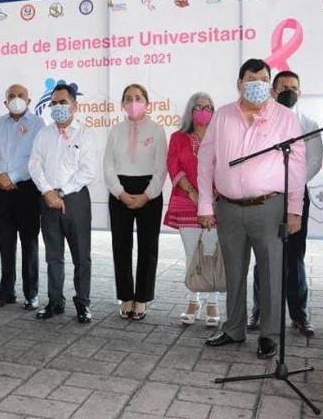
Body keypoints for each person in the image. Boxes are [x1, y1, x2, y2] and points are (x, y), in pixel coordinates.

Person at [198, 59, 305, 359]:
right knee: (233, 270)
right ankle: (233, 328)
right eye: (250, 79)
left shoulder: (284, 118)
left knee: (271, 272)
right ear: (239, 83)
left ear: (270, 85)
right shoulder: (222, 116)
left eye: (262, 79)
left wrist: (294, 209)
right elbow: (206, 162)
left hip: (269, 207)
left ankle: (270, 335)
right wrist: (205, 203)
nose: (256, 84)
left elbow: (295, 165)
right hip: (228, 209)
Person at [248, 71, 322, 337]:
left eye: (294, 87)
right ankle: (259, 310)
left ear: (300, 92)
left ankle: (299, 315)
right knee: (264, 257)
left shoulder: (309, 123)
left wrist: (288, 184)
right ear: (273, 91)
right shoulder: (260, 121)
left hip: (295, 196)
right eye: (284, 87)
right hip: (266, 197)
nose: (289, 91)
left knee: (295, 258)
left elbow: (313, 161)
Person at [28, 83, 95, 323]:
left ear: (74, 105)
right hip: (48, 200)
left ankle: (83, 303)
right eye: (54, 103)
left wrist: (62, 192)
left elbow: (88, 171)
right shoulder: (43, 134)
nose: (57, 107)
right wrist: (48, 192)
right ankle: (55, 302)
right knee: (53, 256)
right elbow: (34, 165)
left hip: (75, 200)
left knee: (81, 256)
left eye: (62, 102)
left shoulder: (85, 134)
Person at [104, 83, 167, 321]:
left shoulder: (157, 129)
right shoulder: (115, 130)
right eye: (128, 98)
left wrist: (146, 195)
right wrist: (120, 192)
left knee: (148, 248)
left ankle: (141, 299)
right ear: (122, 104)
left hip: (149, 192)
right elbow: (108, 166)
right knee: (121, 247)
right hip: (120, 191)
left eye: (138, 98)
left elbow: (162, 168)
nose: (133, 102)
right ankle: (126, 297)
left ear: (147, 103)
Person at [0, 84, 45, 310]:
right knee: (5, 242)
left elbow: (37, 159)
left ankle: (31, 294)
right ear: (5, 102)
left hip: (27, 190)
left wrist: (12, 176)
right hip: (0, 190)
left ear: (29, 101)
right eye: (11, 96)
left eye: (20, 96)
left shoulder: (38, 124)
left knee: (29, 243)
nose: (16, 99)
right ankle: (6, 292)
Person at [164, 92, 222, 327]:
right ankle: (192, 300)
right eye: (199, 107)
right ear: (190, 110)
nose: (203, 111)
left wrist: (210, 196)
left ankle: (212, 302)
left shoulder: (220, 137)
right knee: (192, 255)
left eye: (208, 107)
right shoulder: (178, 137)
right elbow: (173, 165)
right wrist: (193, 193)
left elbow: (225, 168)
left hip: (216, 203)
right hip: (186, 201)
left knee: (212, 252)